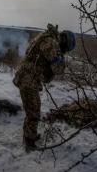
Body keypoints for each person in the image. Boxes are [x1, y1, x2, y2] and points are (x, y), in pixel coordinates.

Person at [13, 23, 76, 152]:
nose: (64, 50)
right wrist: (61, 59)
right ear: (65, 42)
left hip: (28, 77)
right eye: (65, 48)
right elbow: (58, 69)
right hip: (28, 79)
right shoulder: (52, 44)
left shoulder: (46, 37)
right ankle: (29, 143)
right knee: (34, 111)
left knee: (33, 109)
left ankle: (30, 136)